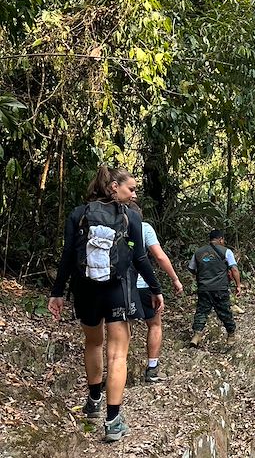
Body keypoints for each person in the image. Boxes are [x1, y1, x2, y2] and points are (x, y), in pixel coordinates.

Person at [47, 166, 163, 442]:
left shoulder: (78, 214)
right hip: (117, 291)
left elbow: (66, 257)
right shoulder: (131, 217)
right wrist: (156, 289)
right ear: (113, 187)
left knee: (93, 343)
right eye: (130, 188)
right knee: (117, 355)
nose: (134, 193)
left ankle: (94, 398)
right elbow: (140, 259)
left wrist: (57, 292)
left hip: (85, 290)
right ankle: (113, 421)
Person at [127, 201, 184, 382]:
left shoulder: (113, 226)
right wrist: (175, 279)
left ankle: (116, 370)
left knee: (121, 328)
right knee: (154, 324)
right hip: (143, 286)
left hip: (120, 287)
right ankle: (152, 370)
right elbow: (159, 256)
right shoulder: (144, 228)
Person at [187, 229, 241, 348]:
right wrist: (238, 285)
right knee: (225, 312)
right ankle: (231, 336)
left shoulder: (198, 252)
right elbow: (234, 269)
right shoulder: (226, 252)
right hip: (220, 288)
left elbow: (191, 269)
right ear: (221, 239)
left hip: (203, 288)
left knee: (201, 311)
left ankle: (196, 335)